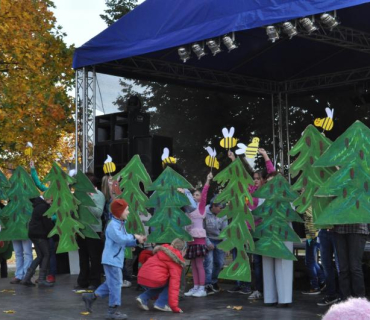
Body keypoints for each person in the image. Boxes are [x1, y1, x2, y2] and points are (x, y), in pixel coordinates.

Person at [82, 199, 146, 320]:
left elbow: (122, 241)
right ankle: (112, 311)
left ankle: (90, 297)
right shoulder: (113, 225)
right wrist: (134, 236)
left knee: (112, 283)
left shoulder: (119, 224)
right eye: (126, 210)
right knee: (116, 284)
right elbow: (120, 239)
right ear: (119, 212)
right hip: (112, 260)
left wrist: (136, 241)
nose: (128, 212)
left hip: (114, 259)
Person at [227, 148, 274, 299]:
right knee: (256, 262)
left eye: (258, 178)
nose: (255, 180)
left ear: (264, 180)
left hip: (266, 231)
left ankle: (268, 289)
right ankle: (258, 289)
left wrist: (265, 155)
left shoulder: (268, 190)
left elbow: (272, 173)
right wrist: (234, 160)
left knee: (265, 262)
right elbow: (241, 176)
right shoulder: (251, 190)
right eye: (254, 178)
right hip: (252, 231)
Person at [260, 172, 293, 307]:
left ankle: (284, 299)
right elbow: (258, 212)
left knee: (283, 264)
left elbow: (291, 213)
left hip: (282, 233)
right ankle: (269, 298)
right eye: (268, 181)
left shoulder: (287, 196)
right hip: (267, 232)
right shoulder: (264, 196)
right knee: (267, 264)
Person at [136, 238, 186, 313]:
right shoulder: (176, 260)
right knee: (170, 283)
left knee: (160, 284)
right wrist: (174, 308)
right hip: (154, 279)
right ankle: (161, 304)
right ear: (182, 250)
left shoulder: (162, 251)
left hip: (141, 277)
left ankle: (142, 298)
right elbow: (174, 286)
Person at [183, 173, 212, 298]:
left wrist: (207, 180)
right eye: (193, 195)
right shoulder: (189, 208)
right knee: (193, 264)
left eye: (197, 195)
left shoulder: (201, 207)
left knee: (199, 263)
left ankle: (202, 287)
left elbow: (205, 193)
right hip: (191, 238)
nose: (195, 197)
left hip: (199, 238)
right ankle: (195, 286)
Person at [75, 172, 105, 291]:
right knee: (83, 257)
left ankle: (95, 281)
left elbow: (98, 213)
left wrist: (88, 202)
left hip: (94, 231)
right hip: (82, 230)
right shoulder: (79, 195)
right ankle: (82, 281)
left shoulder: (99, 195)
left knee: (94, 257)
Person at [30, 160, 57, 283]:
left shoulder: (60, 196)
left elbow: (60, 214)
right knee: (43, 253)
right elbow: (37, 183)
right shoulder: (47, 191)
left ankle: (50, 274)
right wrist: (33, 169)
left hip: (51, 228)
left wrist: (51, 218)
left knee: (49, 252)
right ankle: (42, 276)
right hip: (43, 228)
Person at [21, 197, 54, 287]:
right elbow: (47, 223)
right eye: (51, 200)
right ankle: (41, 279)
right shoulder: (43, 207)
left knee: (40, 256)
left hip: (34, 234)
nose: (52, 201)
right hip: (40, 234)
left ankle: (27, 278)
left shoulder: (38, 206)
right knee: (46, 254)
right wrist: (54, 232)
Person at [333, 223, 368, 300]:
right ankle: (345, 300)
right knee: (343, 268)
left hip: (358, 229)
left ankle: (359, 300)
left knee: (355, 267)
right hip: (340, 229)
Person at [203, 197, 227, 295]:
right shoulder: (204, 212)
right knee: (209, 262)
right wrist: (207, 242)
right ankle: (207, 284)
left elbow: (225, 230)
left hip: (219, 240)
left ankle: (214, 281)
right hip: (208, 239)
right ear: (213, 206)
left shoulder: (223, 214)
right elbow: (202, 229)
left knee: (220, 263)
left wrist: (226, 245)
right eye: (220, 208)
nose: (221, 210)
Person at [301, 206, 326, 295]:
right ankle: (322, 279)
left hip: (312, 234)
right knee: (311, 261)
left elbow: (310, 216)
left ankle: (315, 286)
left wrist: (311, 236)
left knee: (309, 261)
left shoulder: (307, 201)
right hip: (314, 233)